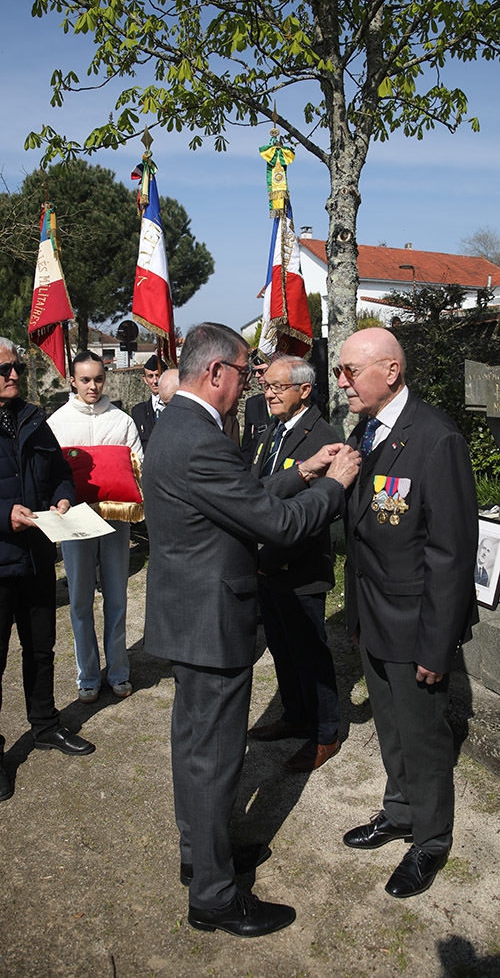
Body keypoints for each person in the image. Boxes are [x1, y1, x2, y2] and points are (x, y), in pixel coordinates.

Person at [142, 322, 360, 938]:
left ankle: (201, 854)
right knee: (213, 757)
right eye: (245, 371)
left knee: (194, 748)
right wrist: (336, 486)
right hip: (212, 621)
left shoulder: (177, 427)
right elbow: (276, 525)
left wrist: (302, 471)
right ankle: (213, 896)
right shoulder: (201, 438)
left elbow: (241, 497)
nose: (251, 382)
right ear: (215, 373)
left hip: (189, 614)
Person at [338, 327, 478, 899]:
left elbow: (450, 554)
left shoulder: (436, 439)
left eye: (351, 370)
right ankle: (399, 811)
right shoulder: (364, 430)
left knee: (423, 738)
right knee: (392, 730)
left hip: (416, 624)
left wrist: (435, 646)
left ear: (390, 371)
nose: (341, 380)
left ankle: (430, 840)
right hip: (374, 615)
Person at [0, 337, 95, 801]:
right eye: (4, 370)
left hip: (37, 557)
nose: (14, 375)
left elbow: (60, 470)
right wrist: (5, 514)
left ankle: (45, 725)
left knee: (41, 649)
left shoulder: (35, 419)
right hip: (0, 560)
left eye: (16, 366)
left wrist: (63, 496)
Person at [248, 353, 342, 772]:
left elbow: (312, 512)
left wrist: (270, 560)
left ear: (304, 390)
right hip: (266, 565)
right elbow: (256, 489)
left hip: (298, 567)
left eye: (277, 386)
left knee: (310, 654)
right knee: (282, 649)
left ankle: (325, 735)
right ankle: (295, 716)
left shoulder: (320, 437)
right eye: (265, 385)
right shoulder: (273, 430)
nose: (267, 393)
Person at [48, 351, 143, 704]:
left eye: (98, 379)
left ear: (106, 379)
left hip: (115, 520)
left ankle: (118, 670)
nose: (92, 386)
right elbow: (50, 472)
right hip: (75, 521)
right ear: (72, 380)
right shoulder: (57, 422)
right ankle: (88, 675)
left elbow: (138, 467)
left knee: (116, 597)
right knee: (80, 601)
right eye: (85, 379)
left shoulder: (122, 421)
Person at [240, 350, 271, 468]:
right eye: (254, 371)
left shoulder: (289, 404)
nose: (257, 375)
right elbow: (247, 446)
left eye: (261, 371)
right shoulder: (252, 404)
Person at [131, 355, 168, 451]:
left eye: (158, 375)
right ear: (145, 379)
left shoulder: (179, 408)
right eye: (150, 376)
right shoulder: (138, 412)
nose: (155, 381)